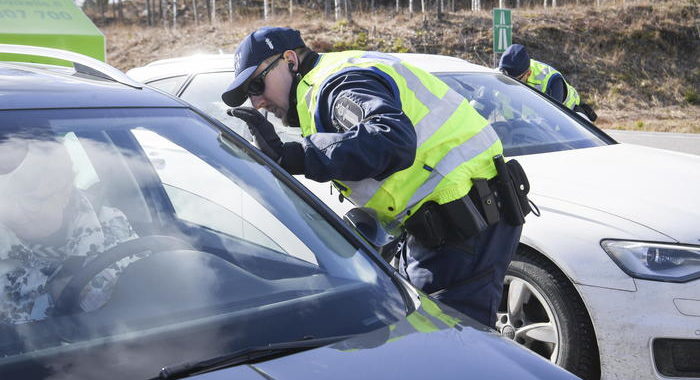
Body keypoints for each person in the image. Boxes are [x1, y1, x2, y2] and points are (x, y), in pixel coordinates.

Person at [221, 27, 529, 327]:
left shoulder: (334, 86)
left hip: (460, 228)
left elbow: (391, 138)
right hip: (458, 221)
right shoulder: (337, 74)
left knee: (445, 348)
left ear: (290, 60)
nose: (257, 102)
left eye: (256, 86)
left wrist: (296, 156)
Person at [0, 129, 138, 325]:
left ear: (65, 191)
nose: (10, 214)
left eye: (31, 201)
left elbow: (153, 290)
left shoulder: (112, 225)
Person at [499, 43, 597, 121]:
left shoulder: (552, 81)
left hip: (571, 117)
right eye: (506, 79)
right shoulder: (499, 76)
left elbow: (553, 120)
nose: (509, 84)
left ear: (528, 73)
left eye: (514, 80)